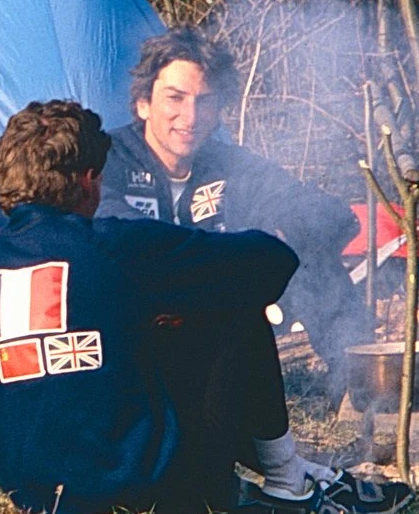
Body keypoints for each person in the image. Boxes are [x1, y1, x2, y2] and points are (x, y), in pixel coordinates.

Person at [0, 100, 409, 514]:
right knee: (229, 302)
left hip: (40, 498)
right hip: (157, 489)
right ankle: (288, 482)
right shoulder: (120, 244)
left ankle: (279, 481)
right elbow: (269, 264)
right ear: (90, 179)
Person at [97, 26, 372, 391]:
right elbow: (109, 231)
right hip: (136, 319)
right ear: (143, 104)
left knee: (309, 252)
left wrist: (282, 233)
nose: (190, 116)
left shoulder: (230, 165)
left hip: (216, 312)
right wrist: (235, 254)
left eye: (205, 101)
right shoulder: (107, 159)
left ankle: (362, 389)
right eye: (175, 98)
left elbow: (333, 216)